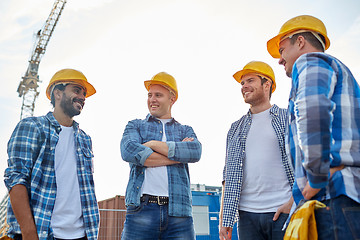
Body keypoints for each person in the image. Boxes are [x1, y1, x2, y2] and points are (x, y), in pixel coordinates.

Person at [267, 15, 360, 239]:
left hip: (331, 197)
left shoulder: (310, 62)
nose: (280, 60)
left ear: (300, 42)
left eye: (281, 50)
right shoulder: (339, 72)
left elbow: (313, 113)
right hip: (342, 197)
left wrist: (316, 179)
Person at [4, 69, 100, 240]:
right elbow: (16, 179)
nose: (82, 97)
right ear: (57, 93)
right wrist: (29, 233)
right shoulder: (32, 127)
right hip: (42, 232)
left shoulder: (85, 139)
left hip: (81, 235)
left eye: (84, 93)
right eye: (77, 90)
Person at [120, 72, 202, 240]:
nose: (152, 99)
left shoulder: (184, 130)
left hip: (179, 213)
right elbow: (128, 150)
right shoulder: (135, 125)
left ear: (172, 99)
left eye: (158, 95)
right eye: (150, 95)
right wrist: (179, 156)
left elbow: (195, 151)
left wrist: (150, 145)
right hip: (142, 210)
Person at [220, 61, 294, 240]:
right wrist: (224, 217)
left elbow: (306, 160)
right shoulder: (235, 128)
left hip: (283, 212)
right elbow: (227, 175)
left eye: (250, 81)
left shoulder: (289, 118)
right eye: (242, 83)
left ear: (266, 84)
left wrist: (293, 202)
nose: (244, 86)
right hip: (247, 216)